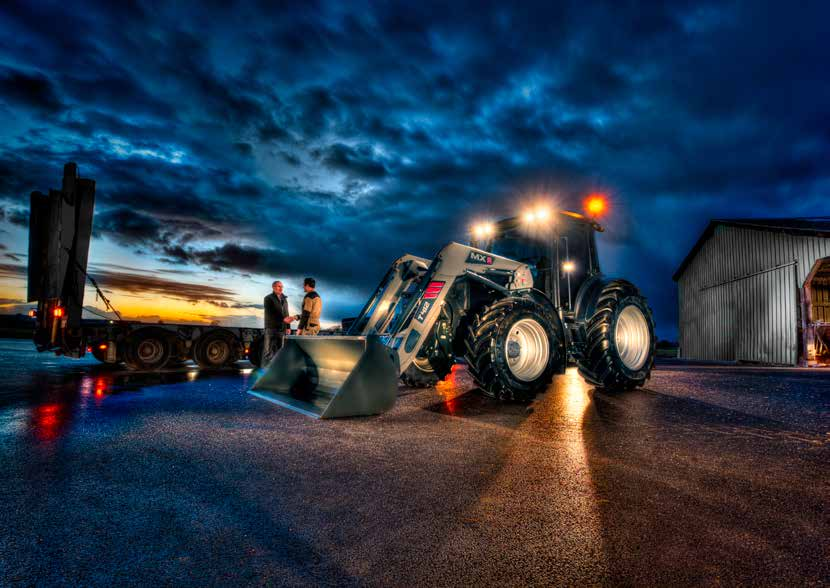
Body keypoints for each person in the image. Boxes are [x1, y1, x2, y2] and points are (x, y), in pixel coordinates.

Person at [263, 280, 290, 365]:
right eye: (279, 286)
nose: (281, 288)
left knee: (280, 350)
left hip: (282, 328)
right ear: (273, 287)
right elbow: (271, 312)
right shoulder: (268, 298)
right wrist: (283, 319)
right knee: (268, 350)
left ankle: (277, 369)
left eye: (282, 286)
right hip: (271, 328)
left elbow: (286, 313)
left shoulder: (284, 299)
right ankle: (267, 369)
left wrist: (288, 327)